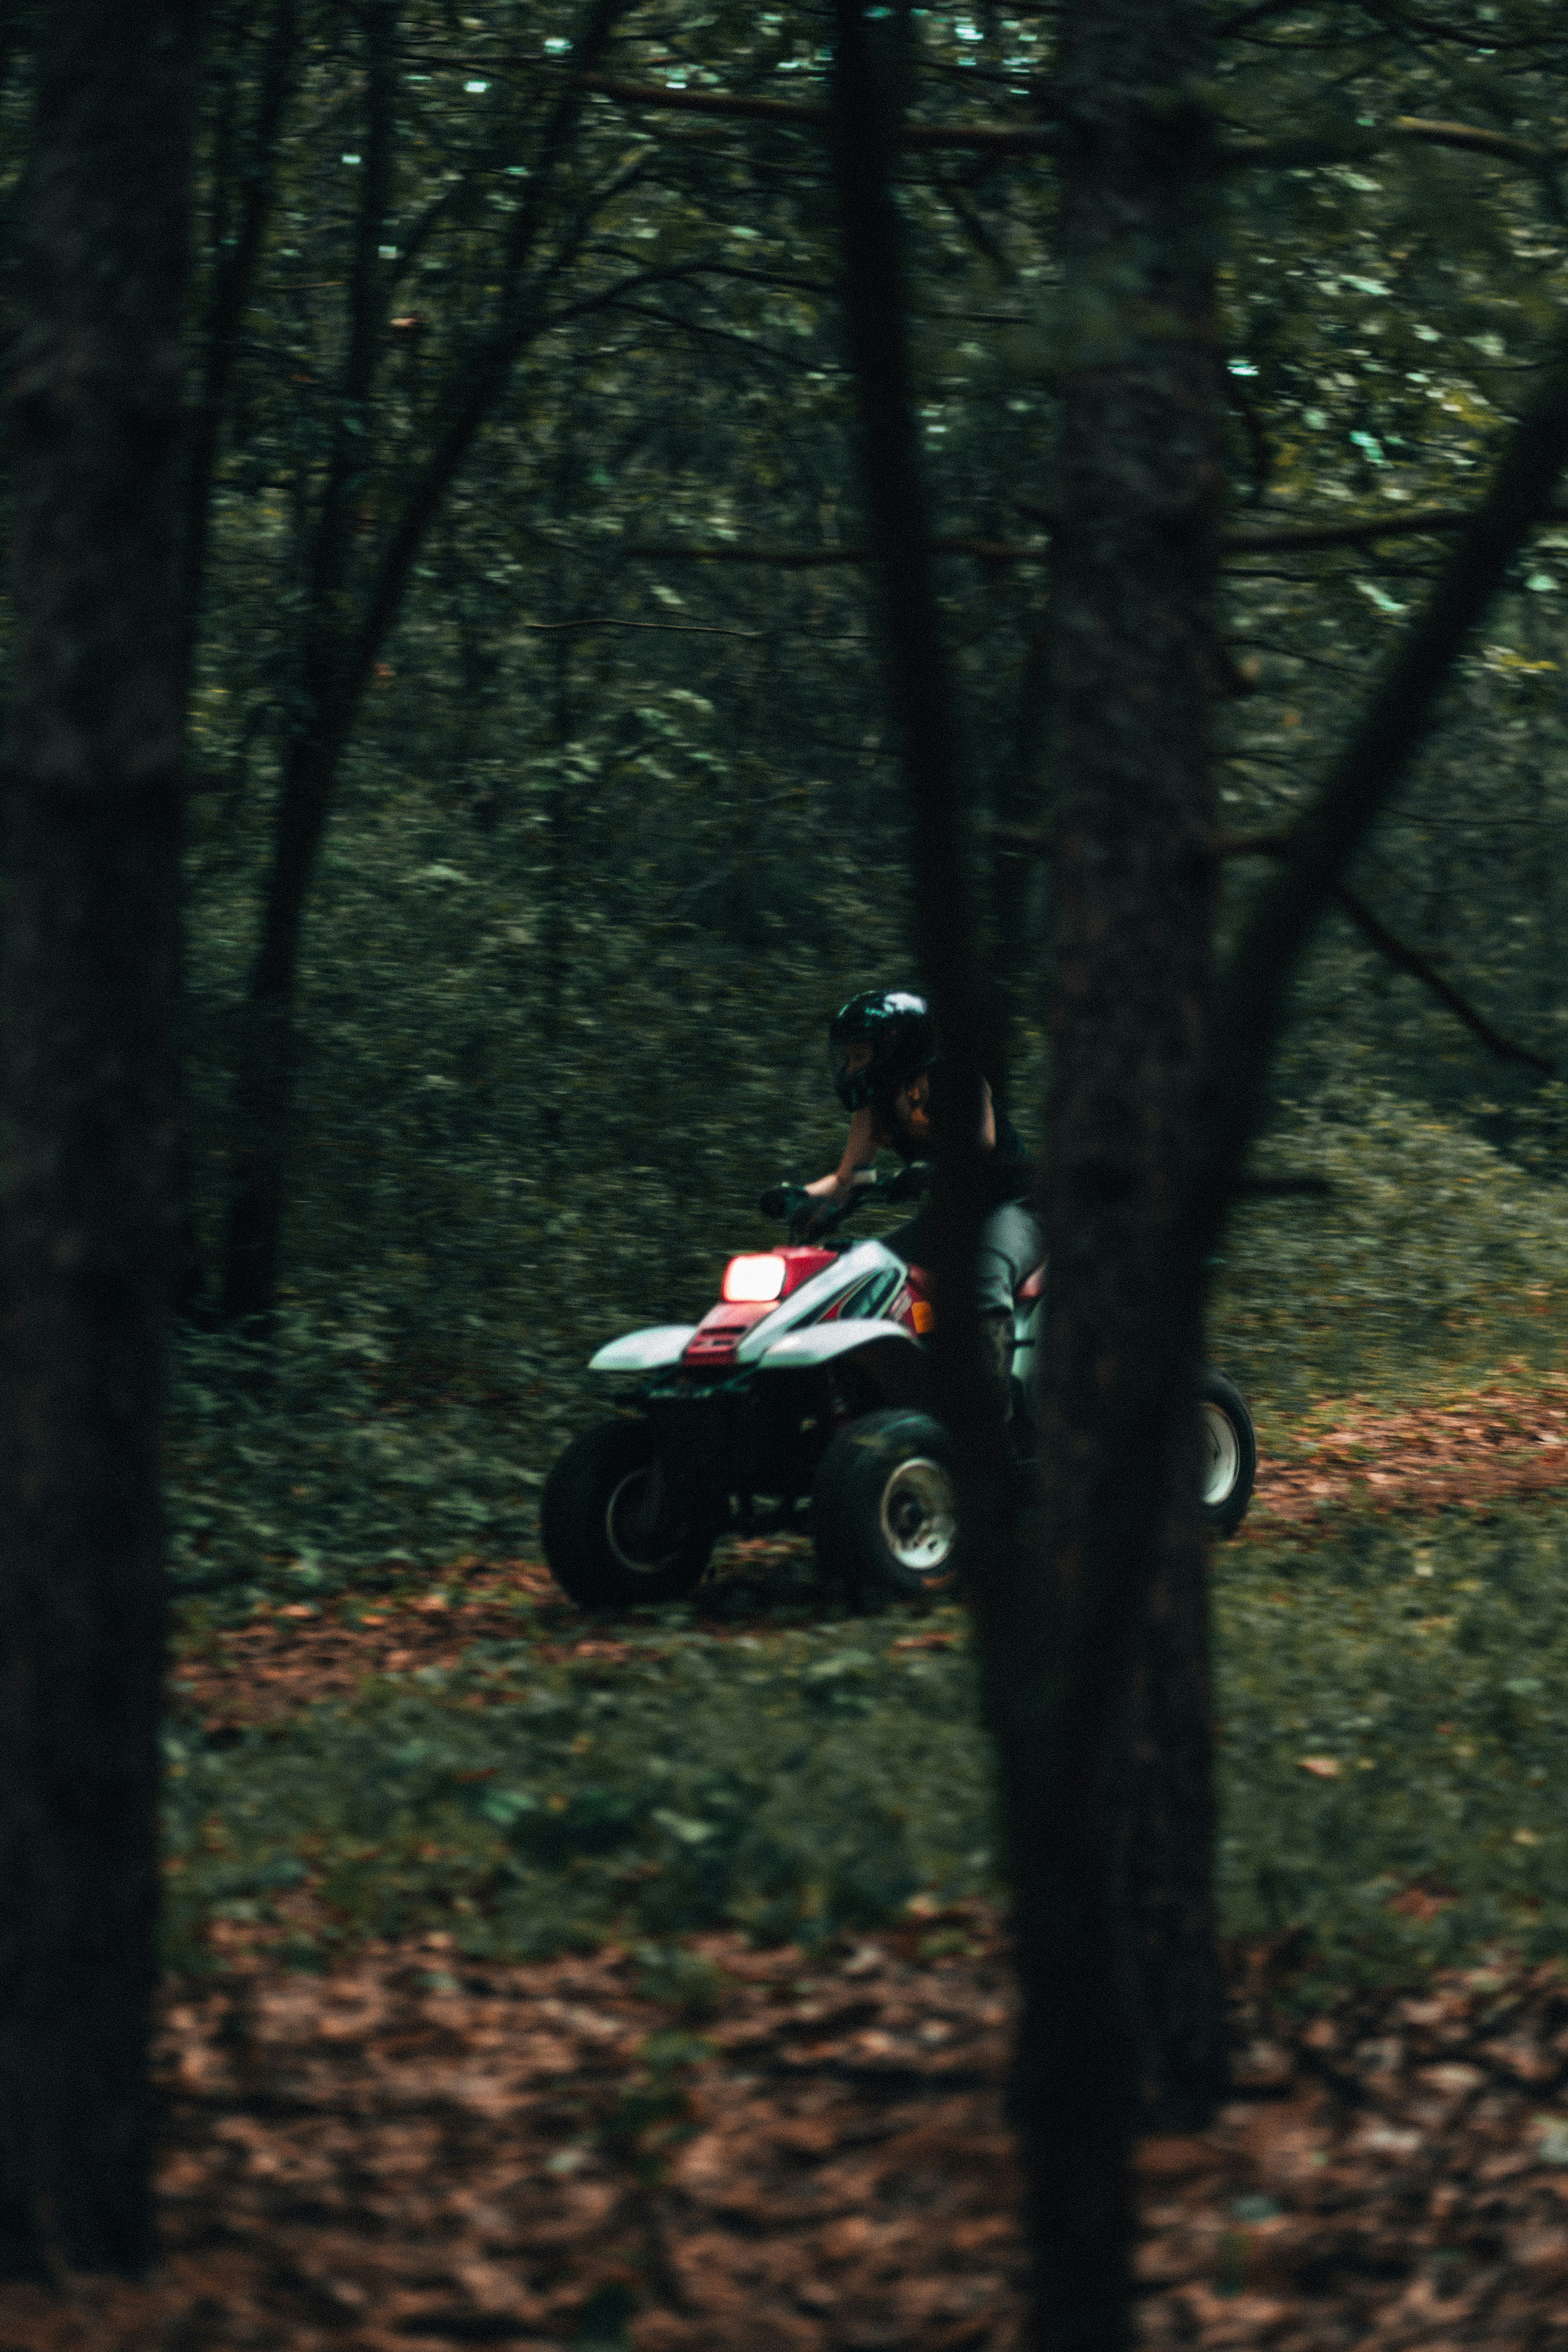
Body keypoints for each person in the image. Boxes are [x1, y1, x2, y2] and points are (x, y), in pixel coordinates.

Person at [804, 987, 1044, 1414]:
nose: (851, 1066)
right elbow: (849, 1177)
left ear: (897, 1048)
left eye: (861, 1056)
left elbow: (980, 1144)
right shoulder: (874, 1105)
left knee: (983, 1281)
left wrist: (933, 1170)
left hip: (1014, 1206)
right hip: (952, 1214)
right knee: (861, 1268)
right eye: (850, 1057)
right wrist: (799, 1198)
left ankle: (990, 1415)